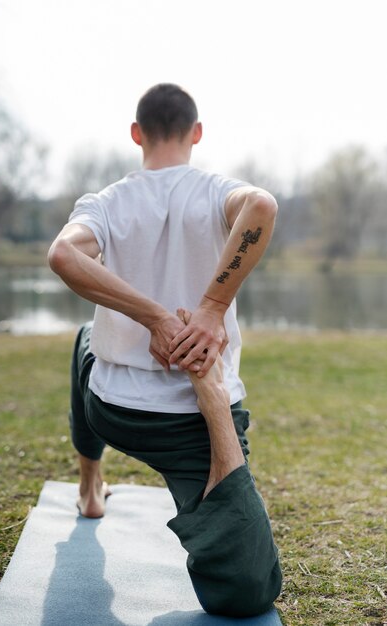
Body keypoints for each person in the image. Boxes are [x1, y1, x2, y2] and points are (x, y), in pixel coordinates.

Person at [48, 83, 282, 618]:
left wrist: (153, 318)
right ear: (196, 134)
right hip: (188, 426)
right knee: (247, 592)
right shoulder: (216, 191)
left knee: (86, 343)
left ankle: (89, 485)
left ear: (137, 135)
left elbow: (63, 254)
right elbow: (262, 205)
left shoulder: (107, 202)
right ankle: (95, 478)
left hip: (115, 410)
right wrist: (208, 308)